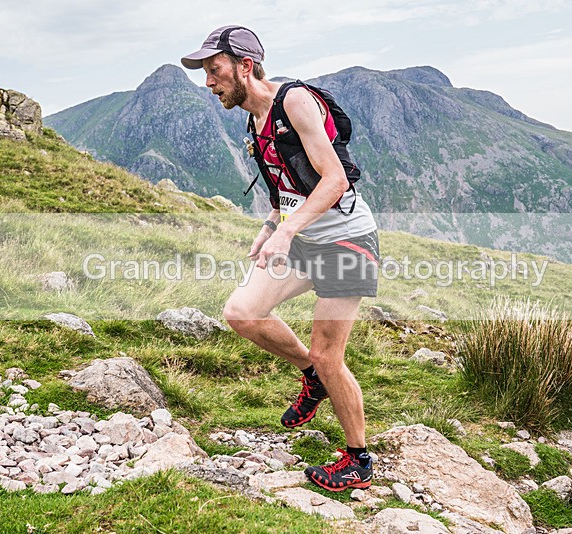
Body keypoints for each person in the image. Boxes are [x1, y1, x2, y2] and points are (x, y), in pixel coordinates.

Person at [182, 25, 379, 491]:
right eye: (207, 74)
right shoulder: (253, 119)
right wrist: (271, 227)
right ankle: (310, 376)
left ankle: (358, 461)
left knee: (331, 357)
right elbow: (285, 191)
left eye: (215, 71)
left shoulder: (294, 101)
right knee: (241, 313)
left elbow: (335, 181)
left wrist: (288, 230)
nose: (209, 83)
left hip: (346, 242)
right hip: (301, 236)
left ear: (245, 66)